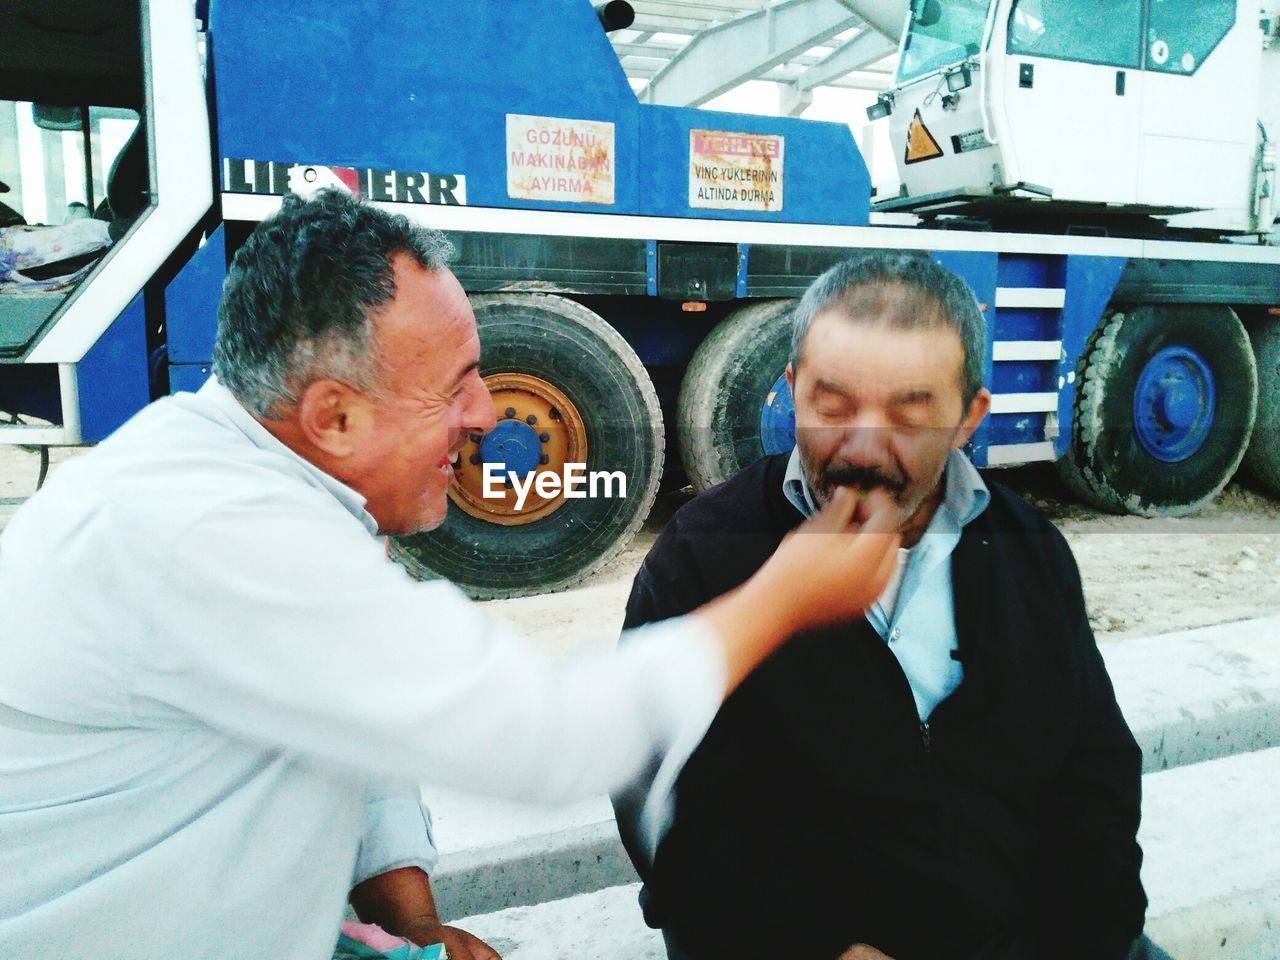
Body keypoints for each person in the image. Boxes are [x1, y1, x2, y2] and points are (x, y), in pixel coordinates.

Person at [0, 191, 904, 960]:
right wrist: (786, 595)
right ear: (334, 416)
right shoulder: (215, 532)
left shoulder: (278, 493)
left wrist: (409, 918)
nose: (482, 412)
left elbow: (356, 714)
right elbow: (543, 736)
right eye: (458, 384)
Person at [614, 253, 1162, 960]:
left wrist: (1090, 936)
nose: (864, 448)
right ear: (791, 391)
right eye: (832, 407)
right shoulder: (702, 555)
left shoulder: (1029, 550)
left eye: (910, 412)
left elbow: (1095, 778)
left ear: (970, 418)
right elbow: (672, 816)